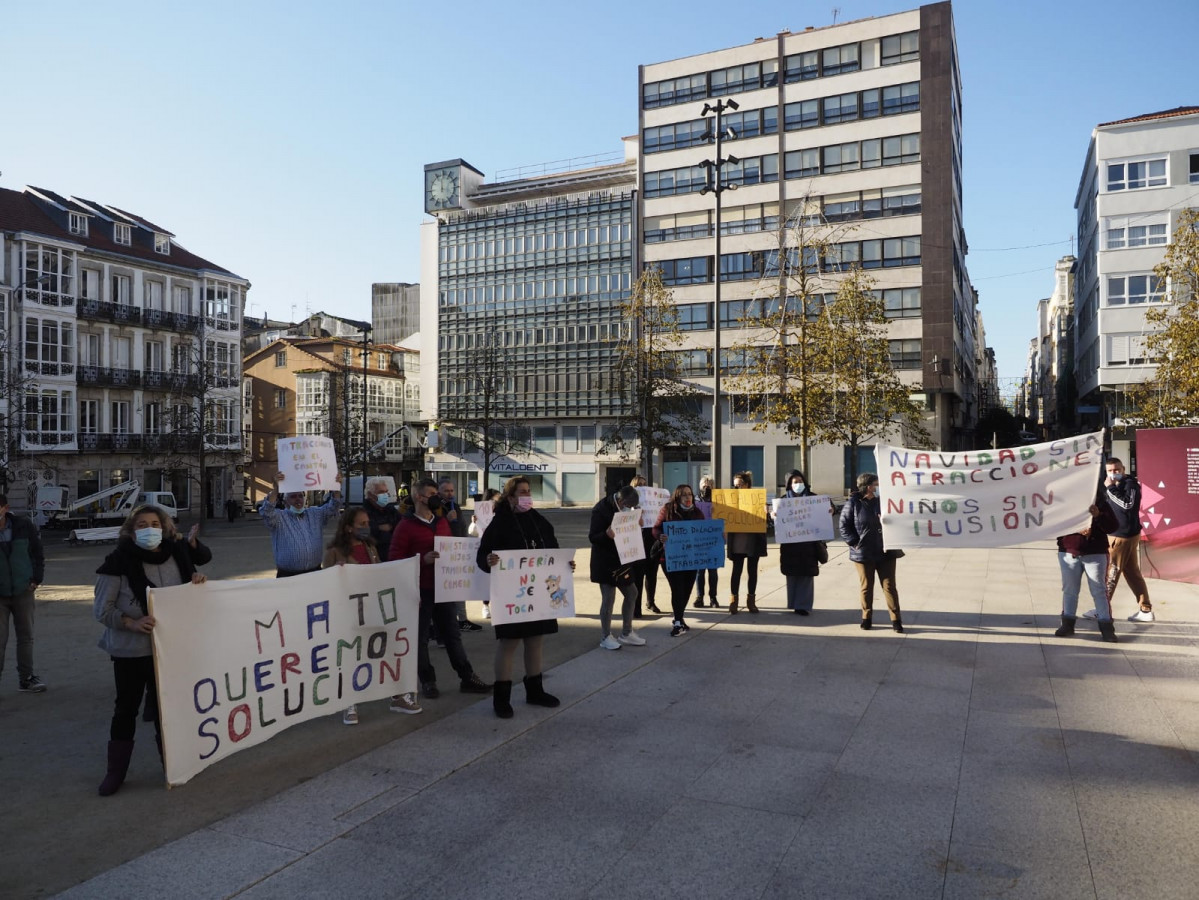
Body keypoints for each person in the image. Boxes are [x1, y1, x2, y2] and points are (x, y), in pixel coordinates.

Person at [93, 505, 211, 795]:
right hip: (131, 651)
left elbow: (187, 597)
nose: (150, 529)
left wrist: (196, 583)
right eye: (143, 524)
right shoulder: (117, 562)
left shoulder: (178, 555)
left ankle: (171, 766)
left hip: (169, 649)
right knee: (126, 709)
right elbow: (102, 609)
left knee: (165, 711)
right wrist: (130, 623)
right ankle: (115, 773)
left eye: (155, 523)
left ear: (164, 526)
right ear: (132, 531)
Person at [476, 476, 572, 718]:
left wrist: (564, 565)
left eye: (529, 491)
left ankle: (535, 690)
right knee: (509, 644)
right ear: (511, 497)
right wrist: (489, 561)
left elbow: (553, 550)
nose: (527, 496)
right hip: (512, 594)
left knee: (535, 640)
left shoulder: (539, 520)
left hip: (538, 594)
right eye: (522, 492)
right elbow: (483, 556)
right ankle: (502, 698)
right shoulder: (499, 524)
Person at [389, 479, 491, 701]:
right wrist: (421, 560)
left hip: (444, 588)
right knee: (421, 638)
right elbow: (395, 560)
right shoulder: (405, 526)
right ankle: (428, 681)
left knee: (452, 635)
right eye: (432, 493)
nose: (437, 496)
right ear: (419, 497)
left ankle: (467, 676)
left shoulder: (442, 521)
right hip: (421, 591)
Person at [324, 506, 422, 723]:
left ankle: (397, 696)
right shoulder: (334, 552)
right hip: (350, 614)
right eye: (362, 524)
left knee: (387, 653)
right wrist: (336, 573)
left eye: (368, 523)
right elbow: (325, 585)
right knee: (352, 657)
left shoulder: (371, 547)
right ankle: (349, 703)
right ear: (349, 528)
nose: (367, 527)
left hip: (374, 610)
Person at [1088, 457, 1154, 623]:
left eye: (1117, 470)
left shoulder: (1129, 485)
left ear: (1123, 469)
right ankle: (1145, 609)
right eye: (1110, 470)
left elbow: (1127, 505)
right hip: (1124, 534)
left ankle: (1101, 609)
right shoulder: (1114, 486)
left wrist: (1110, 487)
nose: (1113, 473)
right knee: (1132, 573)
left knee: (1112, 572)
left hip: (1122, 536)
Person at [839, 472, 903, 633]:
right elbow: (844, 526)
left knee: (889, 586)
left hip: (886, 550)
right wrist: (854, 543)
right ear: (869, 487)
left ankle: (896, 620)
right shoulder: (853, 503)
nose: (879, 487)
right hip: (864, 553)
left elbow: (899, 517)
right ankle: (866, 618)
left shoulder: (884, 501)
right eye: (876, 484)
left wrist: (889, 520)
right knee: (866, 586)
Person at [588, 485, 647, 650]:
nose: (629, 509)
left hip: (623, 559)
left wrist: (638, 522)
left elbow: (632, 529)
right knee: (609, 598)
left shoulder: (629, 508)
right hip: (605, 562)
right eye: (627, 506)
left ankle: (626, 633)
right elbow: (593, 537)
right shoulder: (600, 510)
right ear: (620, 500)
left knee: (632, 592)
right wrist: (606, 535)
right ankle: (605, 637)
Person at [0, 493, 47, 693]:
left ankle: (26, 678)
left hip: (23, 591)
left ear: (4, 508)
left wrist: (36, 579)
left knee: (26, 637)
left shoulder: (23, 526)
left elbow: (37, 553)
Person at [1055, 503, 1118, 643]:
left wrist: (1098, 516)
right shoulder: (1065, 500)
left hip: (1096, 553)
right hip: (1069, 551)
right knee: (1069, 589)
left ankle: (1106, 627)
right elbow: (1054, 524)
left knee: (1099, 591)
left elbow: (1112, 526)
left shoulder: (1101, 501)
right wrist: (1076, 530)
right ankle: (1067, 623)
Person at [260, 471, 342, 577]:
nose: (298, 499)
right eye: (293, 496)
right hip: (288, 576)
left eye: (300, 496)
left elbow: (333, 506)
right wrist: (276, 489)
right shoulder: (279, 517)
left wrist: (336, 487)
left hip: (315, 573)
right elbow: (266, 511)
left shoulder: (314, 513)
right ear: (285, 502)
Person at [653, 484, 706, 637]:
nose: (688, 497)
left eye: (689, 494)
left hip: (691, 558)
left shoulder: (697, 512)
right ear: (677, 496)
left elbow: (704, 531)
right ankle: (677, 622)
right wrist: (660, 536)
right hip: (670, 557)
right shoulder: (668, 509)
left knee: (687, 589)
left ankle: (680, 618)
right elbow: (656, 528)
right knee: (677, 588)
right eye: (684, 495)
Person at [778, 470, 828, 615]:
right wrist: (773, 514)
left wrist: (828, 510)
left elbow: (825, 509)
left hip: (809, 546)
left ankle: (803, 605)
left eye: (800, 481)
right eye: (795, 482)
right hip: (790, 547)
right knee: (792, 576)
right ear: (789, 484)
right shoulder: (783, 501)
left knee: (806, 577)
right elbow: (776, 523)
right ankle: (793, 603)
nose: (798, 484)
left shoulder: (813, 498)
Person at [438, 478, 482, 632]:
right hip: (444, 554)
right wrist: (446, 520)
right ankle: (442, 625)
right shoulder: (437, 508)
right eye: (446, 491)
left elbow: (461, 528)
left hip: (458, 553)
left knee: (459, 587)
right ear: (438, 492)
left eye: (451, 490)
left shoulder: (455, 506)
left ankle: (462, 620)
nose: (450, 494)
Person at [727, 471, 767, 614]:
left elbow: (764, 521)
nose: (737, 488)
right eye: (735, 486)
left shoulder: (757, 499)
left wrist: (764, 512)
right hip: (737, 541)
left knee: (752, 572)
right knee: (736, 571)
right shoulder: (731, 500)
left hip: (752, 541)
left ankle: (751, 601)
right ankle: (733, 601)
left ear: (748, 485)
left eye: (740, 485)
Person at [629, 475, 662, 615]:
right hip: (637, 542)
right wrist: (637, 515)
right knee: (638, 576)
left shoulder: (652, 502)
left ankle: (650, 601)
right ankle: (636, 607)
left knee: (652, 574)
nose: (642, 487)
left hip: (651, 540)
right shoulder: (628, 506)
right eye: (638, 485)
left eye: (644, 484)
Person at [468, 488, 502, 619]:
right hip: (486, 550)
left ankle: (500, 605)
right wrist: (474, 522)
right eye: (495, 499)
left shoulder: (503, 513)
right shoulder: (481, 514)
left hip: (501, 550)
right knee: (487, 581)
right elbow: (473, 532)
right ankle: (485, 606)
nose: (498, 502)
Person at [693, 476, 720, 609]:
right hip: (699, 539)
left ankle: (713, 597)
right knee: (700, 571)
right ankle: (699, 597)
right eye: (704, 484)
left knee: (713, 570)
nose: (706, 487)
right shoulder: (694, 501)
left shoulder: (718, 500)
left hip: (714, 539)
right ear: (700, 486)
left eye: (709, 485)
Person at [363, 478, 400, 562]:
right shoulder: (363, 513)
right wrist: (378, 527)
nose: (386, 495)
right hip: (375, 558)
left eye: (386, 491)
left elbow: (401, 526)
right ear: (370, 494)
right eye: (381, 492)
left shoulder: (391, 510)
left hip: (394, 557)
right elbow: (364, 531)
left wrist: (389, 527)